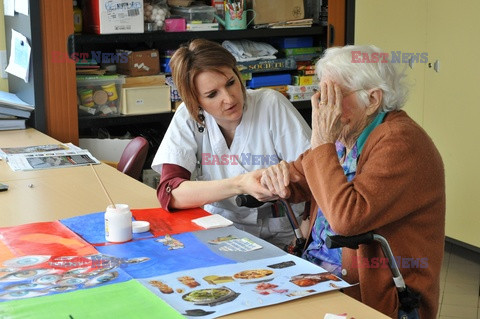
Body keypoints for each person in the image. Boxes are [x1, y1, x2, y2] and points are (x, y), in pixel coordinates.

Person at [258, 45, 445, 318]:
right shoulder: (346, 135)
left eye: (333, 96)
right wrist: (277, 176)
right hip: (316, 275)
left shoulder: (401, 141)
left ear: (372, 100)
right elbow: (300, 176)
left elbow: (346, 220)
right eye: (320, 94)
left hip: (373, 296)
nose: (323, 107)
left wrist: (321, 141)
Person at [151, 39, 311, 247]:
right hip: (220, 231)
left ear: (237, 73)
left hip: (283, 233)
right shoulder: (188, 117)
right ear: (195, 101)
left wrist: (307, 233)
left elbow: (317, 174)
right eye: (212, 94)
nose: (229, 98)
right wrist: (239, 184)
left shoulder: (271, 104)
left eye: (230, 82)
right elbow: (170, 194)